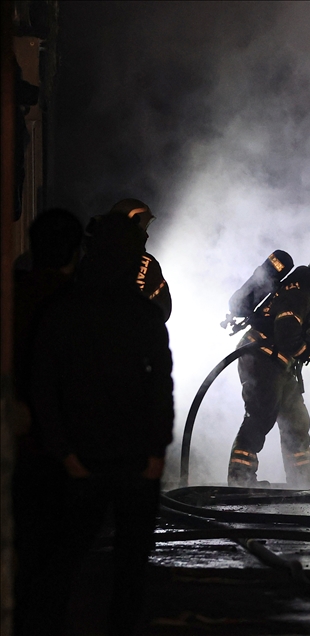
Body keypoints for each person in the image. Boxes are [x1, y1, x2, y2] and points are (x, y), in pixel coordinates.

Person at [29, 213, 175, 636]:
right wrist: (154, 457)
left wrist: (65, 454)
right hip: (126, 463)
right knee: (128, 570)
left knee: (65, 563)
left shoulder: (62, 311)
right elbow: (160, 391)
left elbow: (43, 387)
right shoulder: (144, 318)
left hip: (81, 460)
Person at [227, 242, 310, 488]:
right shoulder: (298, 292)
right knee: (261, 415)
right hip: (260, 357)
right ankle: (239, 479)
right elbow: (287, 337)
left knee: (297, 421)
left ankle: (303, 479)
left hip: (281, 364)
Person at [12, 208, 83, 636]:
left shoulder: (13, 294)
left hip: (17, 445)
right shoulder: (74, 306)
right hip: (59, 454)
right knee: (56, 563)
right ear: (75, 253)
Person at [86, 197, 172, 321]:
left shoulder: (89, 259)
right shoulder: (146, 263)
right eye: (143, 229)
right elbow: (162, 310)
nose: (147, 235)